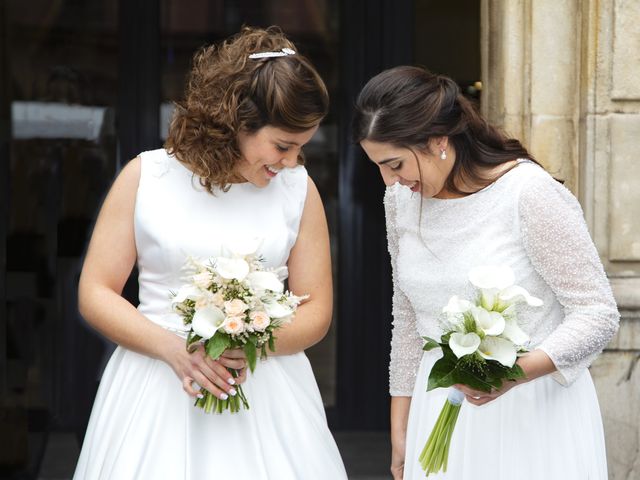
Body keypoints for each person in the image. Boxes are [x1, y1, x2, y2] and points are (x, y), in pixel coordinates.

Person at [74, 26, 347, 479]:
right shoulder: (147, 176)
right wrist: (175, 350)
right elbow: (96, 291)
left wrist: (248, 344)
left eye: (302, 148)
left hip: (265, 391)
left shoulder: (299, 190)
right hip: (154, 386)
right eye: (283, 146)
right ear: (237, 122)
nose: (292, 162)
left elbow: (316, 309)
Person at [352, 66, 619, 479]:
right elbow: (407, 318)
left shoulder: (528, 192)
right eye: (378, 167)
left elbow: (597, 312)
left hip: (531, 413)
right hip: (438, 404)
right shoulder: (399, 201)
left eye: (395, 163)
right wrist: (401, 428)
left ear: (438, 141)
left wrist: (513, 376)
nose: (389, 180)